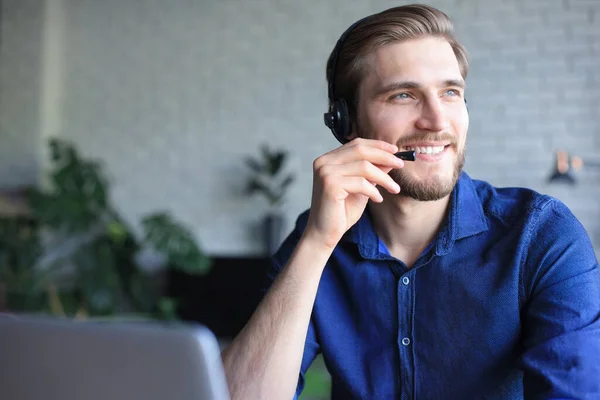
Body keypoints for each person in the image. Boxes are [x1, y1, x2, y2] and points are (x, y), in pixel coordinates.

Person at [221, 4, 600, 399]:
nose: (437, 121)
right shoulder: (314, 237)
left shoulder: (541, 236)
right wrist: (317, 245)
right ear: (345, 123)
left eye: (450, 92)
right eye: (404, 95)